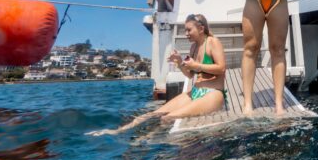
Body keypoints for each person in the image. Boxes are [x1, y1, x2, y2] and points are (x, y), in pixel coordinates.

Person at [88, 14, 226, 135]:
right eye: (185, 30)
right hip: (196, 92)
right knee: (154, 113)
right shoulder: (194, 47)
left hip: (213, 94)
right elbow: (190, 75)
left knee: (167, 118)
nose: (186, 33)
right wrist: (179, 62)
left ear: (201, 29)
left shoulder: (213, 42)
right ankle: (117, 131)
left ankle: (145, 141)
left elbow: (221, 69)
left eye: (189, 29)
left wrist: (197, 65)